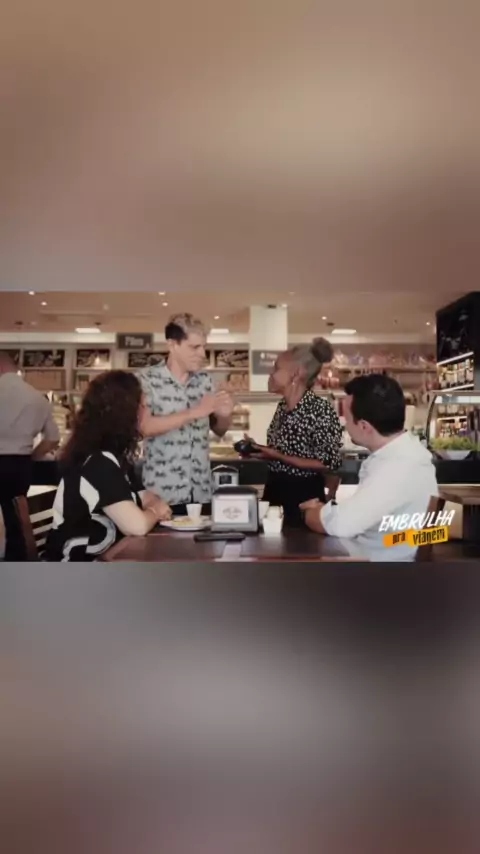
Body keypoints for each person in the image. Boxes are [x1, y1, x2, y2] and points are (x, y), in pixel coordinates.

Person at [301, 374, 439, 560]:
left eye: (347, 419)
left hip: (381, 571)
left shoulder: (396, 467)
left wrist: (311, 513)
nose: (346, 426)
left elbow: (342, 524)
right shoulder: (405, 455)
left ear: (364, 426)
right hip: (375, 559)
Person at [46, 371, 172, 562]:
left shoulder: (113, 458)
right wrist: (156, 512)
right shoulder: (98, 463)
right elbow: (136, 526)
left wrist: (152, 505)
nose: (147, 412)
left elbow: (144, 496)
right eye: (142, 406)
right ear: (126, 413)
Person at [138, 313, 234, 513]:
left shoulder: (206, 381)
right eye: (194, 347)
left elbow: (220, 430)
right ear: (172, 345)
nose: (202, 354)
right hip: (161, 497)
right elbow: (144, 427)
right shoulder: (146, 380)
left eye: (204, 347)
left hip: (202, 493)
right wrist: (194, 412)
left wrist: (225, 415)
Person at [246, 338, 342, 527]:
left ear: (297, 373)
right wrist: (261, 451)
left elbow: (328, 462)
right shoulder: (282, 406)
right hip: (275, 490)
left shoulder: (319, 410)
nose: (271, 374)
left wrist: (277, 455)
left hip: (305, 497)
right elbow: (283, 453)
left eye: (276, 368)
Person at [0, 351, 60, 559]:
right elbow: (53, 438)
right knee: (16, 520)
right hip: (20, 465)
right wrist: (32, 456)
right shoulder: (36, 397)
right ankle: (16, 564)